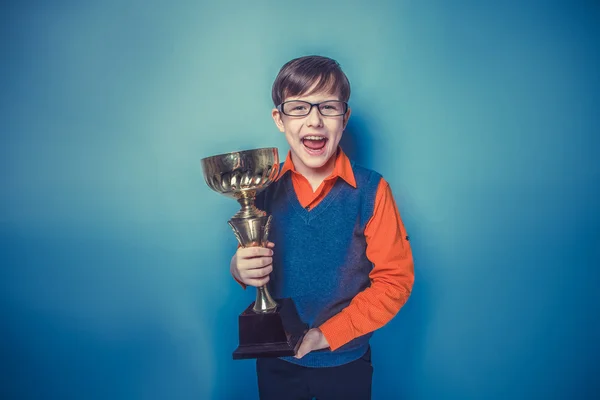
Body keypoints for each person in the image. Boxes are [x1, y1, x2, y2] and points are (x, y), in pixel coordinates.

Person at [229, 55, 414, 400]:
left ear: (344, 118)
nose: (314, 120)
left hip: (346, 361)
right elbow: (249, 262)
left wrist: (328, 335)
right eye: (298, 107)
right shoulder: (260, 191)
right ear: (279, 119)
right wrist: (239, 268)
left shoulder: (372, 191)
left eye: (328, 107)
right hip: (276, 361)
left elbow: (395, 280)